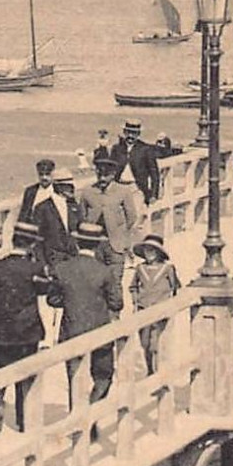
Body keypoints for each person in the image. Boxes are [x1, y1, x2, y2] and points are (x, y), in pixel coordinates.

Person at [0, 221, 49, 434]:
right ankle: (24, 421)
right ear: (32, 245)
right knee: (25, 378)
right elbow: (47, 289)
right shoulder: (34, 269)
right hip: (27, 332)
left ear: (13, 240)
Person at [48, 222, 124, 410]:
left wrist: (71, 300)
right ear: (98, 245)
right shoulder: (105, 271)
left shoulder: (62, 269)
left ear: (77, 243)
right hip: (100, 330)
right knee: (103, 376)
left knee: (74, 378)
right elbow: (117, 303)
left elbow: (52, 299)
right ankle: (92, 408)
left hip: (71, 329)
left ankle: (77, 419)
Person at [79, 152, 146, 278]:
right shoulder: (88, 192)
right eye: (99, 175)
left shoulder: (123, 191)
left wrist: (120, 234)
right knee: (95, 281)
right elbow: (82, 217)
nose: (102, 179)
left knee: (115, 282)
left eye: (106, 175)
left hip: (116, 244)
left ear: (113, 174)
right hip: (94, 244)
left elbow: (131, 217)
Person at [129, 233, 181, 374]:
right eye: (146, 250)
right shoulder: (140, 269)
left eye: (152, 250)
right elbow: (133, 287)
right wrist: (135, 301)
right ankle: (150, 368)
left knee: (155, 343)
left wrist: (171, 304)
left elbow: (175, 287)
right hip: (143, 309)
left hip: (160, 310)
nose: (149, 253)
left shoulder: (168, 269)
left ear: (159, 253)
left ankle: (158, 370)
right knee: (144, 342)